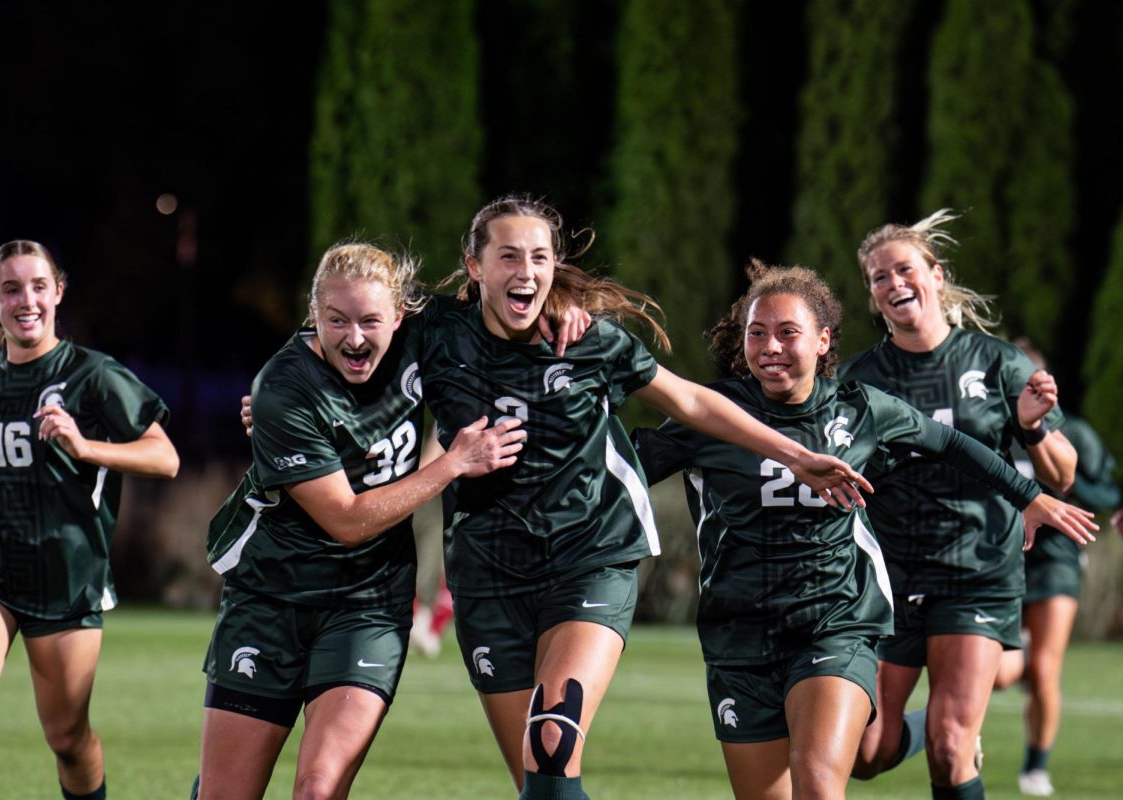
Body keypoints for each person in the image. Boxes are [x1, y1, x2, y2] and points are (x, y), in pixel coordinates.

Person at [420, 196, 874, 800]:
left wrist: (792, 454)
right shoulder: (434, 334)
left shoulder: (591, 341)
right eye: (508, 256)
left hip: (587, 557)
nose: (526, 271)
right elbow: (351, 329)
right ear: (475, 267)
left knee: (550, 748)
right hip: (487, 573)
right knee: (540, 787)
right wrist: (286, 392)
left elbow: (688, 401)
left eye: (539, 257)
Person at [630, 261, 1096, 800]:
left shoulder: (860, 409)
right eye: (757, 334)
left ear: (824, 340)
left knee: (820, 785)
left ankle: (948, 736)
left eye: (788, 333)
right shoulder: (712, 416)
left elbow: (949, 444)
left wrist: (1029, 496)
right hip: (738, 632)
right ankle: (923, 730)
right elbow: (622, 472)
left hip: (835, 620)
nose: (770, 347)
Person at [197, 242, 552, 800]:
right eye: (336, 320)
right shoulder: (285, 388)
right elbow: (346, 520)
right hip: (271, 600)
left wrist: (571, 306)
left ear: (401, 315)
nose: (355, 338)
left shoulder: (424, 334)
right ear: (313, 315)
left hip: (366, 605)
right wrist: (454, 462)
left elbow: (507, 295)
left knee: (318, 789)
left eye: (370, 321)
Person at [840, 211, 1087, 800]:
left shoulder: (999, 362)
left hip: (977, 571)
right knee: (865, 753)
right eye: (879, 277)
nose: (893, 283)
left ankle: (954, 730)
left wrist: (1030, 430)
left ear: (936, 274)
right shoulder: (859, 379)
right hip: (892, 575)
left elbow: (1065, 472)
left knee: (950, 752)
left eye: (904, 269)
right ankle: (941, 725)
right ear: (872, 296)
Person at [0, 240, 180, 800]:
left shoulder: (93, 374)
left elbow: (165, 458)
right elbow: (5, 462)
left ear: (58, 293)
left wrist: (86, 445)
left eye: (38, 286)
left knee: (67, 738)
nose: (27, 300)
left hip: (66, 574)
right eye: (12, 288)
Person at [993, 339, 1120, 797]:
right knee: (1001, 671)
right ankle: (1015, 656)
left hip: (1056, 560)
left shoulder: (1073, 434)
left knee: (1045, 671)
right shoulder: (986, 429)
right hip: (998, 559)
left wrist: (1059, 484)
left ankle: (1035, 767)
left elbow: (1107, 494)